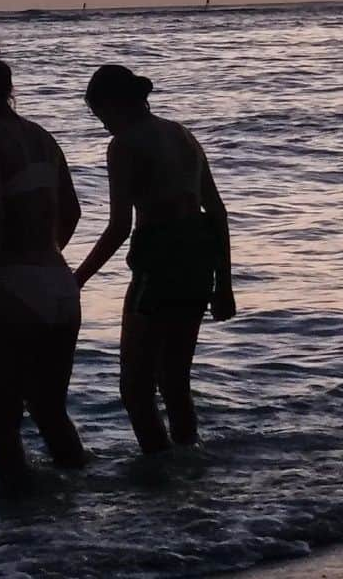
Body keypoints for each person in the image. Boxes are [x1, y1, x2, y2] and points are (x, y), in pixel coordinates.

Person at [75, 65, 235, 454]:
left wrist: (77, 278)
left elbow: (118, 227)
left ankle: (160, 470)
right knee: (176, 379)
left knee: (135, 388)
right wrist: (224, 285)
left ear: (113, 104)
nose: (104, 127)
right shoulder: (182, 133)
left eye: (101, 117)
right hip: (199, 257)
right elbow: (216, 211)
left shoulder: (125, 144)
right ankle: (188, 457)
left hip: (159, 260)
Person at [0, 35, 86, 483]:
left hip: (10, 290)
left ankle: (15, 541)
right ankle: (85, 516)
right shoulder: (43, 137)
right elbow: (72, 211)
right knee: (52, 416)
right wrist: (45, 261)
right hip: (59, 287)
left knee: (2, 427)